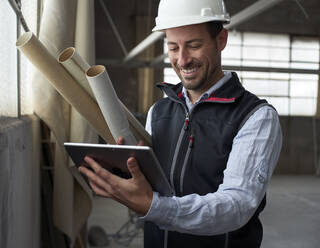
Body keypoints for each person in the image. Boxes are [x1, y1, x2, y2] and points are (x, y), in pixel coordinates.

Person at [79, 0, 282, 247]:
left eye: (194, 45)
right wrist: (123, 175)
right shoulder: (159, 111)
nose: (183, 60)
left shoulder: (255, 117)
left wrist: (154, 206)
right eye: (173, 47)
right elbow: (153, 184)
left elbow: (236, 206)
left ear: (221, 40)